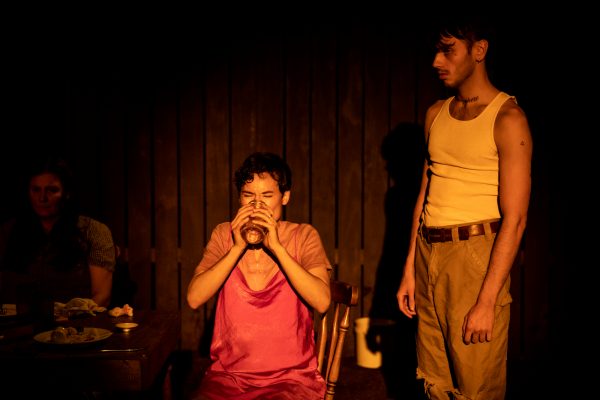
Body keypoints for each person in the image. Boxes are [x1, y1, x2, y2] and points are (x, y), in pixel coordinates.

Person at [396, 17, 532, 400]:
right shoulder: (435, 113)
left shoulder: (507, 118)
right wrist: (410, 268)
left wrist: (487, 300)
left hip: (475, 257)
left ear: (479, 49)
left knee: (476, 387)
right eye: (436, 51)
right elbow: (425, 192)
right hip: (429, 252)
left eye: (448, 50)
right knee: (434, 381)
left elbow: (516, 219)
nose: (437, 61)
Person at [187, 152, 331, 400]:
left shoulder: (304, 235)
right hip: (229, 376)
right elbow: (194, 298)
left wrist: (277, 247)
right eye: (248, 196)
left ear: (285, 197)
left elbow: (322, 301)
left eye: (266, 196)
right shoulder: (224, 234)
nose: (257, 205)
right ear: (239, 199)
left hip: (290, 378)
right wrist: (237, 248)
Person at [0, 156, 116, 319]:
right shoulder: (9, 231)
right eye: (36, 190)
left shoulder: (92, 231)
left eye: (52, 190)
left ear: (66, 193)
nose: (42, 198)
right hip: (17, 324)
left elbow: (101, 297)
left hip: (75, 325)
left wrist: (69, 320)